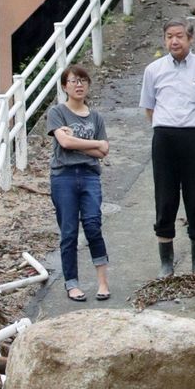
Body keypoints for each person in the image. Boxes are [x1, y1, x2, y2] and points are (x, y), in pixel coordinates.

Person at [141, 19, 195, 276]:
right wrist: (167, 126)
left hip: (194, 137)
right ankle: (166, 264)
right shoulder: (153, 70)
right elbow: (149, 108)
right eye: (168, 37)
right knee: (165, 199)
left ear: (190, 38)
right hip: (164, 138)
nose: (173, 41)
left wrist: (192, 125)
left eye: (179, 36)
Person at [45, 62, 111, 303]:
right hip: (63, 177)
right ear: (65, 86)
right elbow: (66, 144)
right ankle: (71, 283)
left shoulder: (96, 117)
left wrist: (82, 143)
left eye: (83, 80)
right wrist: (94, 144)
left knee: (93, 225)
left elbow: (104, 151)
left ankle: (102, 282)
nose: (79, 85)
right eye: (73, 81)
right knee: (69, 232)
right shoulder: (57, 112)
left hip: (90, 176)